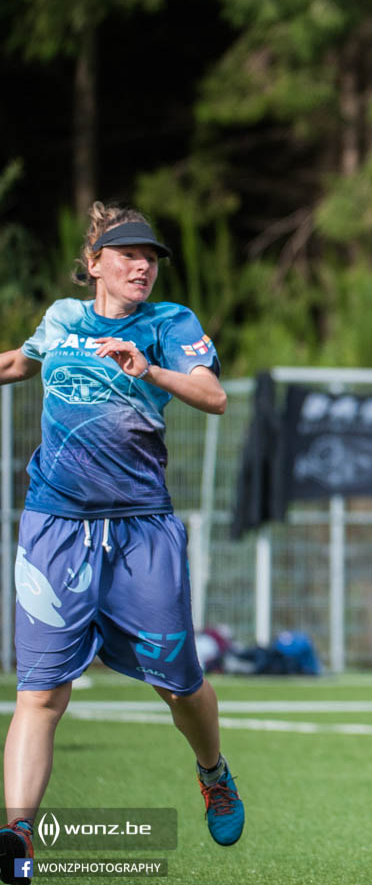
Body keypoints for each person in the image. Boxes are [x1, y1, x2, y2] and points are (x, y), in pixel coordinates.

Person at [0, 204, 244, 883]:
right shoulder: (63, 318)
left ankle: (213, 771)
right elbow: (22, 360)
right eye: (129, 253)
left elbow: (214, 395)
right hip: (53, 525)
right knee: (41, 692)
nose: (143, 264)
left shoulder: (170, 324)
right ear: (95, 264)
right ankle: (17, 837)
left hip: (141, 529)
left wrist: (150, 370)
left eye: (152, 255)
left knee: (180, 687)